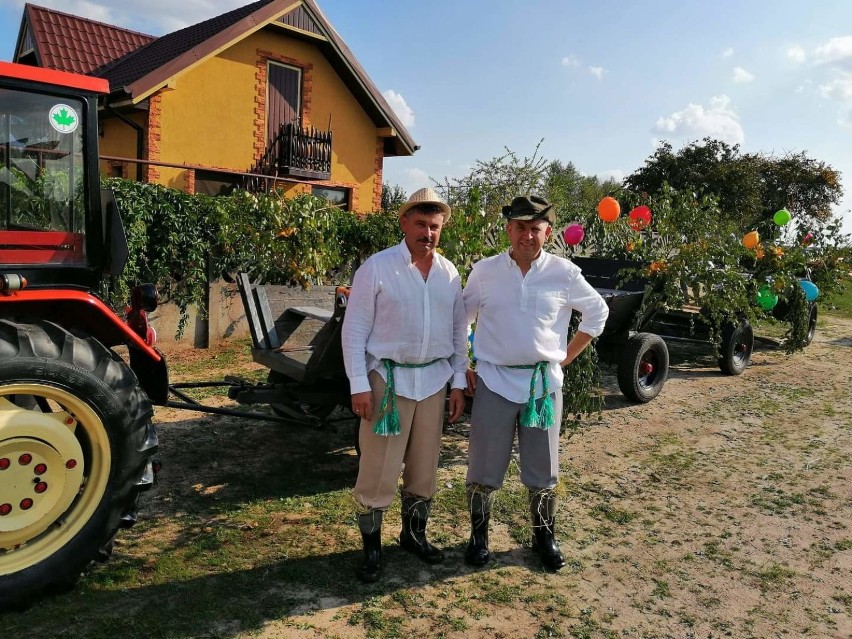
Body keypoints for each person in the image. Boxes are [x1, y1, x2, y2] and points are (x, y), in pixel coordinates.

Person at [462, 195, 609, 571]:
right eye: (520, 228)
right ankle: (479, 538)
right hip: (494, 379)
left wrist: (566, 357)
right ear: (508, 229)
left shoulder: (564, 273)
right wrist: (464, 362)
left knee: (543, 468)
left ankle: (544, 536)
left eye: (535, 229)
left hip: (542, 386)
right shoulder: (485, 271)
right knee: (483, 466)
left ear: (548, 232)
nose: (527, 235)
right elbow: (460, 318)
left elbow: (597, 311)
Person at [342, 187, 468, 583]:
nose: (427, 233)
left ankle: (414, 534)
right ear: (403, 223)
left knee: (424, 465)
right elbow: (355, 329)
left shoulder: (449, 273)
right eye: (420, 224)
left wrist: (459, 382)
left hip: (433, 380)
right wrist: (359, 384)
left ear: (441, 228)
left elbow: (458, 330)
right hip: (388, 383)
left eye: (434, 226)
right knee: (378, 466)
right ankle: (372, 549)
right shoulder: (377, 268)